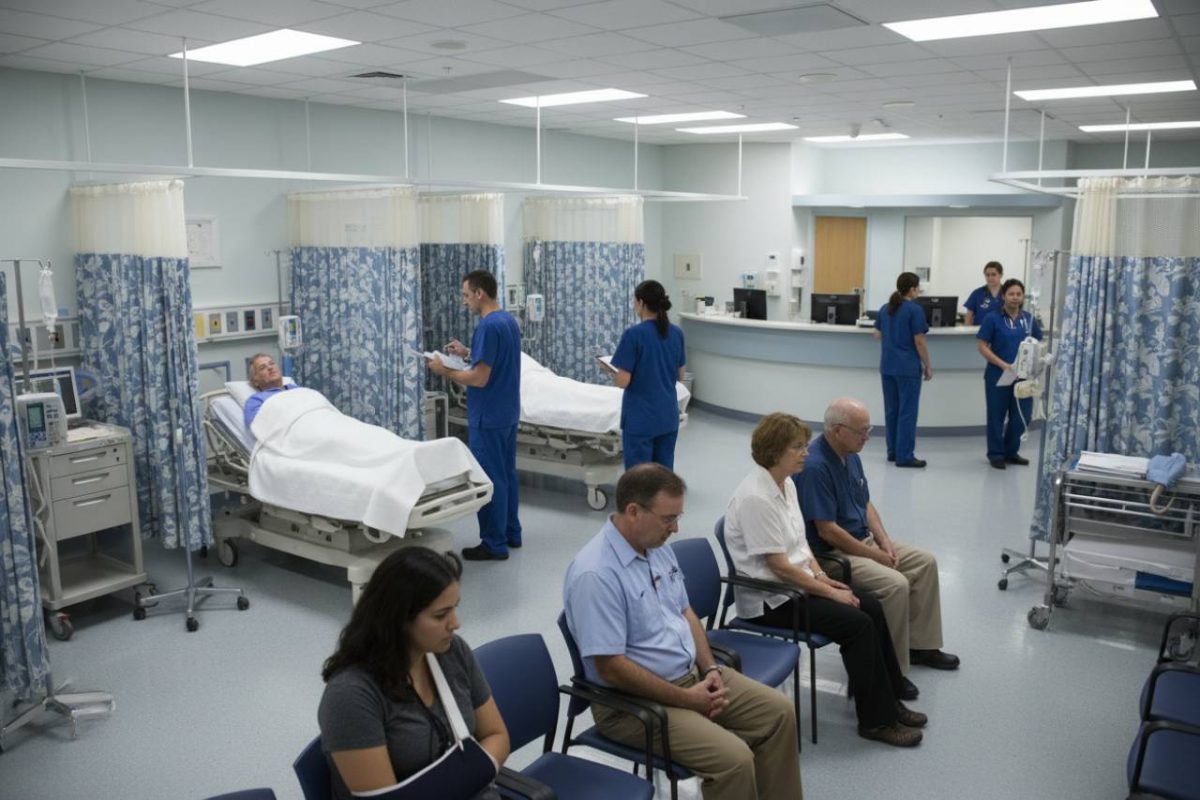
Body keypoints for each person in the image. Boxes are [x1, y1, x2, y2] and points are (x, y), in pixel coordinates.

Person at [564, 463, 803, 800]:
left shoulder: (656, 547)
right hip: (631, 704)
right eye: (668, 519)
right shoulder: (596, 575)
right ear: (633, 511)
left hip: (691, 677)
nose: (675, 528)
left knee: (779, 713)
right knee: (734, 760)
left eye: (678, 517)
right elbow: (611, 668)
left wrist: (710, 668)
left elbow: (685, 611)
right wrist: (688, 700)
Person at [725, 413, 925, 747]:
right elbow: (779, 567)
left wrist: (822, 577)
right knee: (857, 624)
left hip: (797, 584)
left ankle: (890, 699)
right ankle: (876, 721)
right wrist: (829, 592)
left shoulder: (787, 483)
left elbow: (801, 546)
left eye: (805, 445)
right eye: (797, 447)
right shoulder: (756, 498)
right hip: (771, 600)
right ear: (774, 451)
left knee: (871, 606)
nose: (806, 452)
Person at [318, 548, 510, 800]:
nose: (456, 623)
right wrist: (467, 781)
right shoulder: (351, 696)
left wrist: (466, 782)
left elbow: (497, 735)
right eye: (440, 615)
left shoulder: (452, 652)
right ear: (399, 619)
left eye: (455, 608)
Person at [794, 397, 959, 677]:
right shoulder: (815, 467)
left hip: (863, 540)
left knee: (925, 563)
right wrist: (875, 556)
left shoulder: (851, 455)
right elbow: (827, 531)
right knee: (894, 585)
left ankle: (921, 646)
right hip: (832, 555)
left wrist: (884, 540)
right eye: (861, 431)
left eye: (868, 429)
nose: (867, 437)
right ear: (837, 430)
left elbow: (865, 503)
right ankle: (892, 670)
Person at [428, 270, 522, 561]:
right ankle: (511, 532)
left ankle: (494, 543)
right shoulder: (507, 321)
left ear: (480, 293)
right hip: (507, 412)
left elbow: (480, 378)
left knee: (490, 478)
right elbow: (493, 359)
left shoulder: (487, 327)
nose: (464, 301)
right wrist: (467, 353)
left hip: (488, 415)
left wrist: (445, 370)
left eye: (466, 295)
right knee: (506, 475)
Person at [602, 280, 687, 469]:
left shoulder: (634, 335)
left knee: (639, 477)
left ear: (641, 302)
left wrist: (611, 372)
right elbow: (680, 376)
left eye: (634, 301)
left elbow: (623, 382)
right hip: (667, 416)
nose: (634, 305)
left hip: (641, 419)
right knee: (662, 475)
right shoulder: (676, 333)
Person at [976, 277, 1044, 470]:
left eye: (1018, 294)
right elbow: (982, 346)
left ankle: (1011, 451)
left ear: (1023, 297)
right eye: (1011, 294)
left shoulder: (1028, 320)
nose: (1015, 297)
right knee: (996, 416)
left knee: (1023, 415)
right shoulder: (992, 319)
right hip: (998, 375)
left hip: (1024, 377)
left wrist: (1037, 362)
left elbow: (1038, 342)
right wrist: (1004, 365)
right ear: (1004, 296)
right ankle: (996, 454)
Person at [874, 272, 932, 468]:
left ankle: (893, 451)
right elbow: (919, 341)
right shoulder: (914, 310)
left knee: (892, 411)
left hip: (888, 367)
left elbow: (877, 334)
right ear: (913, 289)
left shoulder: (885, 308)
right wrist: (928, 365)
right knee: (907, 413)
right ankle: (905, 455)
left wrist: (893, 338)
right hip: (907, 369)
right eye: (918, 288)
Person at [243, 353, 299, 427]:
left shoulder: (295, 388)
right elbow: (256, 426)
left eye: (272, 363)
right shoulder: (256, 400)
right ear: (255, 381)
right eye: (262, 368)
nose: (270, 367)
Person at [963, 261, 1004, 326]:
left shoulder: (1008, 293)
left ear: (1001, 275)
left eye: (993, 274)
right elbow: (968, 317)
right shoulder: (977, 293)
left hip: (1002, 331)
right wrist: (967, 331)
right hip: (980, 330)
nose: (990, 278)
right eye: (987, 275)